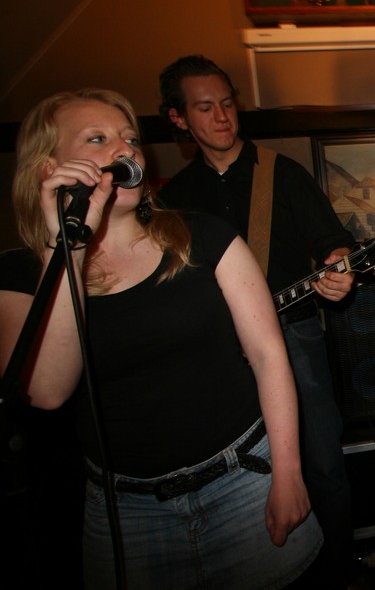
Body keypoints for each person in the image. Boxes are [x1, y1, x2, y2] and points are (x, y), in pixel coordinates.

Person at [0, 89, 322, 588]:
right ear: (49, 168)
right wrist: (66, 244)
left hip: (242, 479)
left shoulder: (206, 236)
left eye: (130, 138)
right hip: (125, 513)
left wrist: (289, 472)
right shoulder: (21, 273)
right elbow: (47, 390)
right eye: (97, 139)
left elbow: (267, 354)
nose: (124, 149)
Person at [157, 55, 355, 586]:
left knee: (321, 460)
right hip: (214, 353)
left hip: (292, 334)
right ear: (178, 118)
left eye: (227, 104)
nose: (222, 116)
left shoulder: (281, 174)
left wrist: (339, 264)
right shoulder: (173, 200)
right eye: (205, 108)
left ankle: (336, 572)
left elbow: (332, 239)